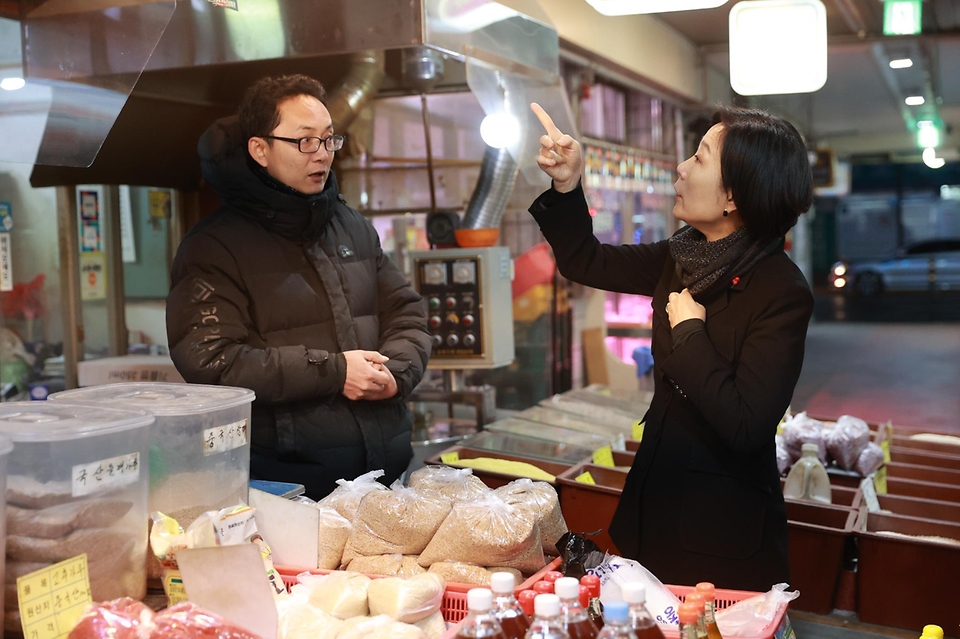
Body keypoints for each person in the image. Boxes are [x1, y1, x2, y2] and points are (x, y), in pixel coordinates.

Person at [529, 103, 814, 591]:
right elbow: (587, 261)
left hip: (719, 529)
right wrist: (567, 184)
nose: (681, 168)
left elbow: (747, 427)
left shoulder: (781, 292)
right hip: (653, 502)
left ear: (734, 198)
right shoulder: (685, 256)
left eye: (700, 158)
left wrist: (689, 335)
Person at [166, 74, 431, 500]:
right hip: (285, 491)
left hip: (383, 483)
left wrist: (395, 374)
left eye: (329, 140)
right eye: (306, 141)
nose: (322, 155)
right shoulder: (213, 246)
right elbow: (212, 362)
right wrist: (335, 372)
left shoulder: (350, 226)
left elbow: (407, 312)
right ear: (260, 149)